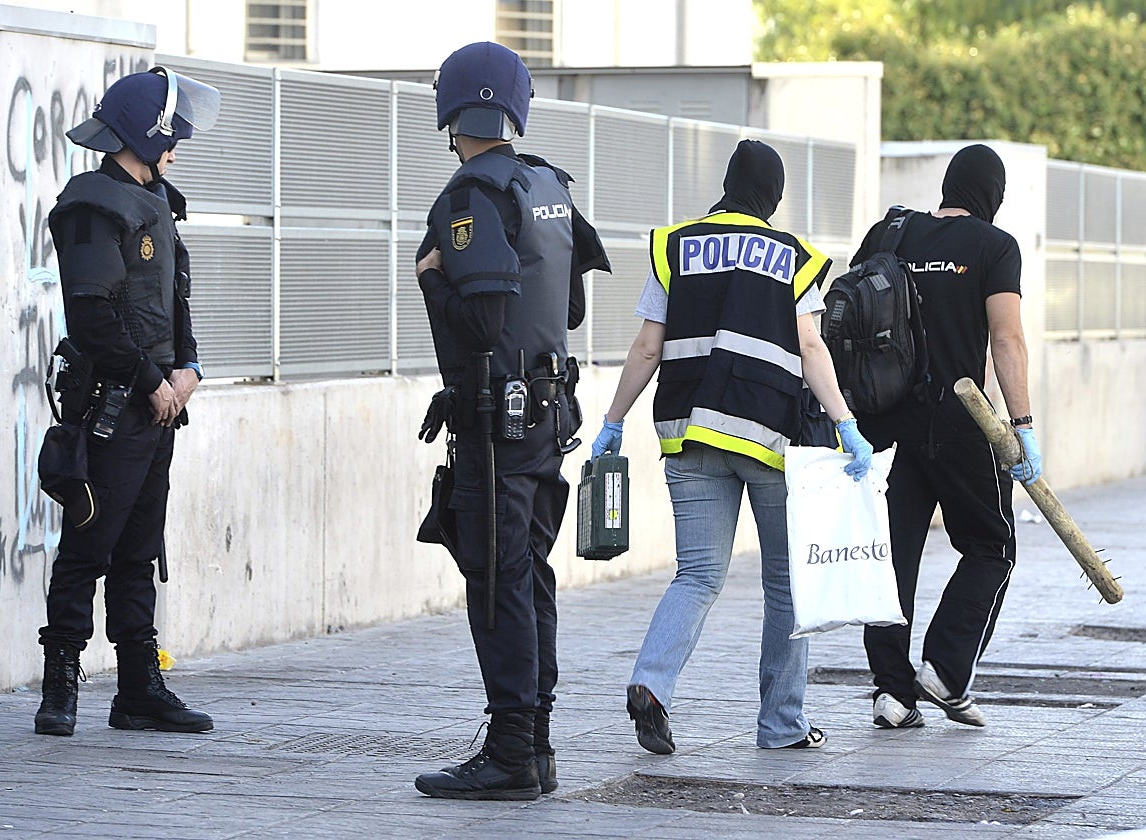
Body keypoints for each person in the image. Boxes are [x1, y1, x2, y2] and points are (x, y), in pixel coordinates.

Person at [590, 139, 874, 753]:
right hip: (768, 437)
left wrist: (613, 421)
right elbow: (811, 345)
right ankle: (781, 725)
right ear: (772, 195)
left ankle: (651, 682)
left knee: (696, 576)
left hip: (688, 435)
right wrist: (845, 422)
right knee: (785, 585)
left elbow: (647, 346)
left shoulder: (677, 246)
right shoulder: (792, 256)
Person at [412, 42, 610, 800]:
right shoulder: (547, 185)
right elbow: (568, 307)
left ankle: (511, 755)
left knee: (496, 580)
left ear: (451, 112)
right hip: (546, 414)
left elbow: (486, 319)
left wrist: (431, 282)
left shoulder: (471, 195)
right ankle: (538, 743)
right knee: (526, 575)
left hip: (500, 425)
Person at [34, 66, 221, 737]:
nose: (178, 147)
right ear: (149, 132)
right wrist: (151, 381)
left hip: (159, 407)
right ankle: (61, 686)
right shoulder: (93, 203)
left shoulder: (159, 201)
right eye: (172, 136)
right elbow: (93, 318)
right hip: (115, 407)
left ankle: (139, 690)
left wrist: (190, 369)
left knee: (138, 550)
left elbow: (174, 305)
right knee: (89, 545)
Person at [853, 144, 1039, 731]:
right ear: (993, 195)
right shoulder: (994, 245)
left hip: (884, 426)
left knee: (893, 557)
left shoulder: (894, 232)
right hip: (962, 424)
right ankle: (947, 669)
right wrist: (1024, 427)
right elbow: (1006, 339)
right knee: (991, 545)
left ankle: (892, 692)